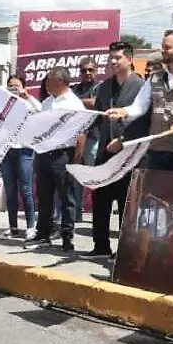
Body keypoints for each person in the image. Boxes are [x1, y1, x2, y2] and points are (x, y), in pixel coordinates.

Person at [106, 28, 173, 172]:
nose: (163, 51)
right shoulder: (154, 78)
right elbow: (139, 107)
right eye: (162, 47)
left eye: (167, 47)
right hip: (156, 151)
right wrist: (123, 111)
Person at [90, 41, 149, 258]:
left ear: (130, 59)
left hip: (130, 153)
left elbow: (143, 121)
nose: (113, 62)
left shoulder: (141, 86)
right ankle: (100, 246)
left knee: (127, 204)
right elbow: (98, 117)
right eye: (111, 58)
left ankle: (125, 251)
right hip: (105, 152)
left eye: (118, 58)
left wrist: (123, 140)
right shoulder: (104, 87)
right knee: (101, 199)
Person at [24, 67, 86, 253]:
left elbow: (81, 133)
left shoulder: (74, 103)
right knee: (44, 196)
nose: (46, 84)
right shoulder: (48, 102)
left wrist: (76, 158)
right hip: (44, 154)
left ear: (60, 81)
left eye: (49, 80)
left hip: (63, 155)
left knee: (67, 197)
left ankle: (67, 237)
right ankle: (43, 233)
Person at [0, 75, 41, 240]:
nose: (13, 88)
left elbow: (41, 111)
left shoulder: (28, 102)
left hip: (24, 150)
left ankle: (31, 226)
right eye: (10, 86)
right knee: (10, 190)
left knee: (26, 190)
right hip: (6, 151)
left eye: (16, 85)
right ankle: (13, 227)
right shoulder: (3, 103)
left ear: (23, 87)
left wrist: (26, 96)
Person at [69, 57, 102, 222]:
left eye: (91, 70)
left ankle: (99, 213)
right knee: (77, 176)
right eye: (84, 70)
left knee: (95, 176)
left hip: (93, 137)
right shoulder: (74, 89)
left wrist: (76, 102)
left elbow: (95, 103)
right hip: (76, 138)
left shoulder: (101, 87)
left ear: (96, 71)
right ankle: (77, 212)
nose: (87, 73)